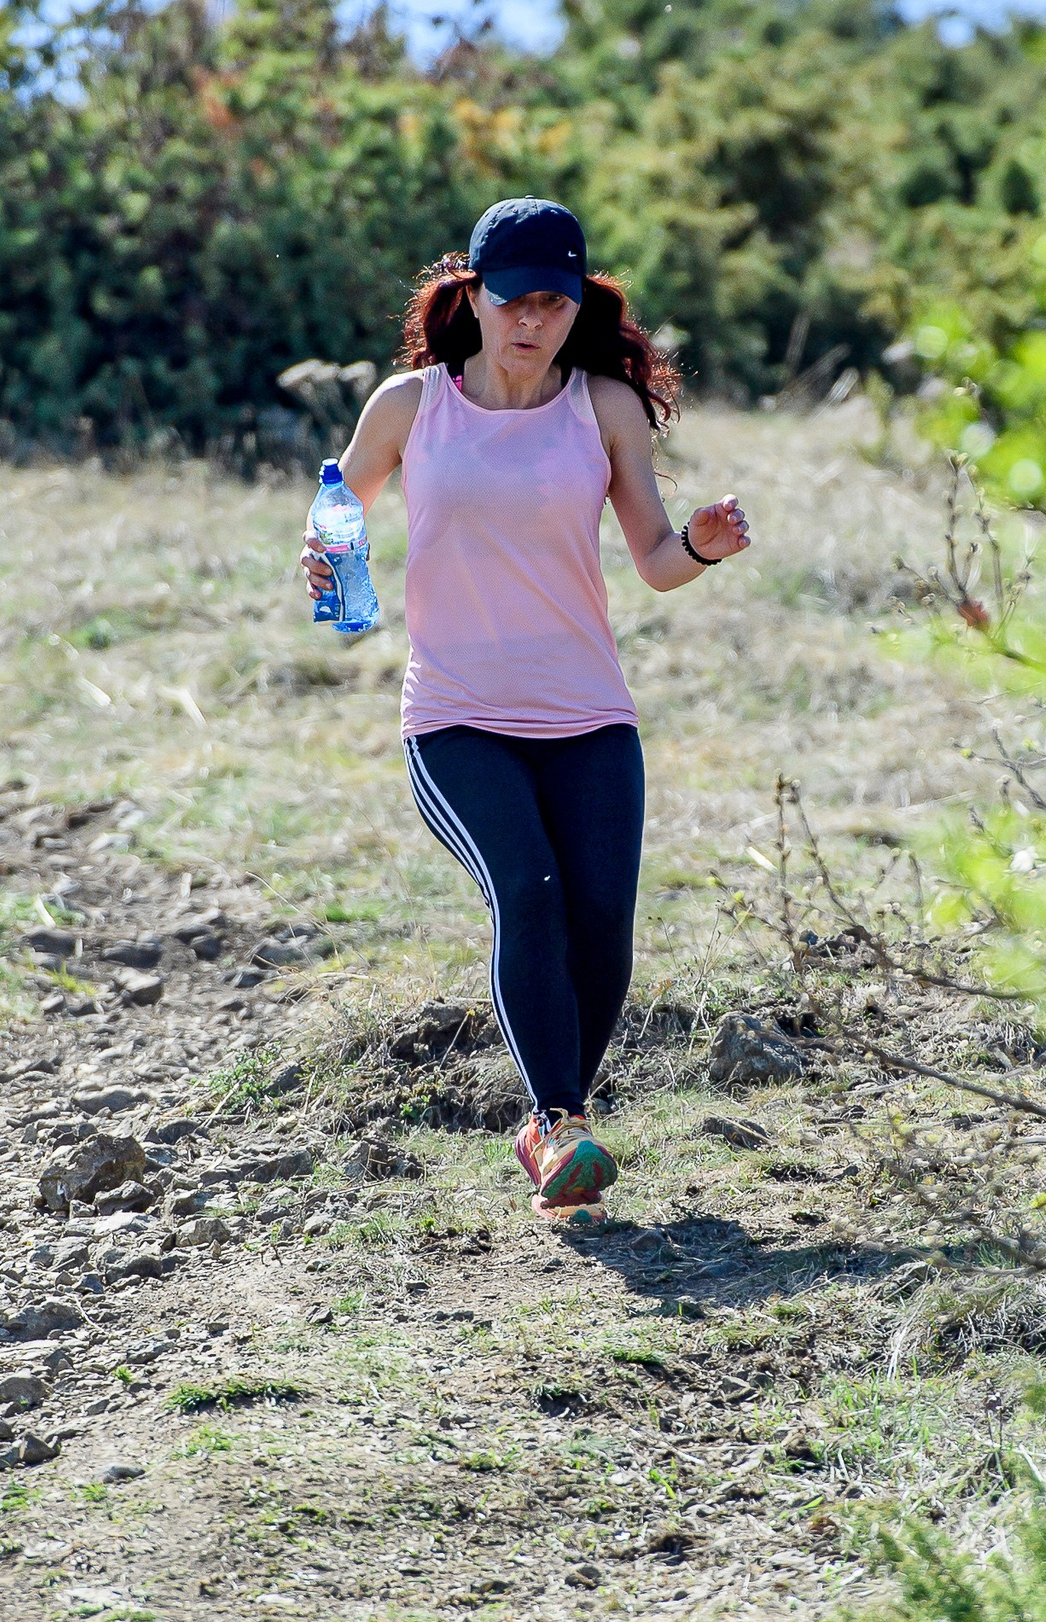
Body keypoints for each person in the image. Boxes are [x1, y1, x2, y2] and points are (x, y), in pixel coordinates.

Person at [301, 198, 750, 1226]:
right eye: (515, 299)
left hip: (589, 713)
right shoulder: (409, 408)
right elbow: (339, 506)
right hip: (455, 717)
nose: (533, 319)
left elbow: (652, 562)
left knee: (604, 933)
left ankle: (556, 1124)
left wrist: (703, 545)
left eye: (556, 301)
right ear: (472, 295)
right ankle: (557, 1125)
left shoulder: (603, 408)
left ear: (577, 304)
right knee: (529, 890)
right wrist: (329, 555)